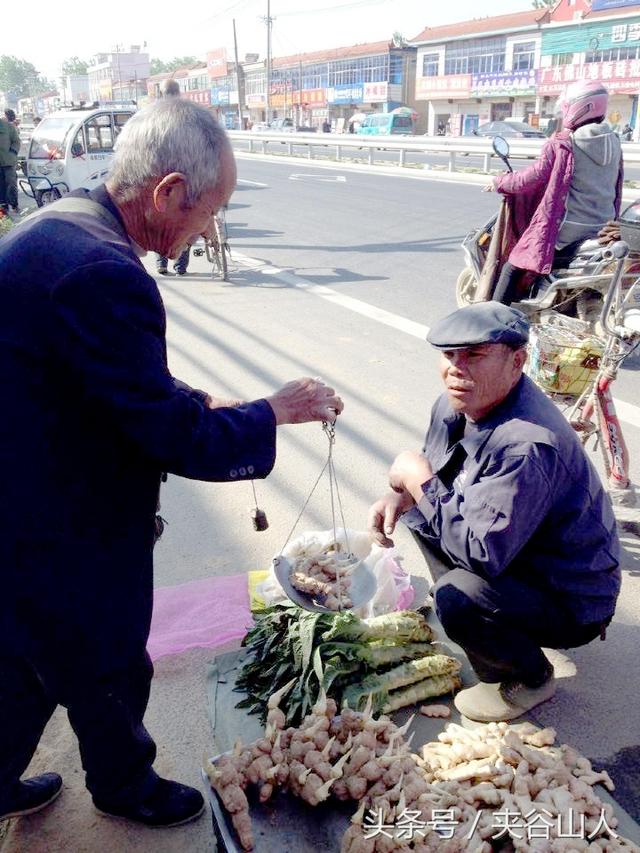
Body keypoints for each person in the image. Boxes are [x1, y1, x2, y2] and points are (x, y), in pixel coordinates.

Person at [0, 97, 344, 827]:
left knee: (24, 655)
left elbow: (106, 375)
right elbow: (167, 433)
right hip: (60, 510)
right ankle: (125, 784)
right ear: (168, 193)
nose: (206, 229)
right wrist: (269, 412)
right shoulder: (105, 272)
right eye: (206, 211)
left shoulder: (59, 226)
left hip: (21, 482)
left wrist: (195, 397)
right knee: (109, 653)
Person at [367, 302, 620, 723]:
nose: (455, 369)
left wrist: (417, 481)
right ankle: (492, 622)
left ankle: (531, 677)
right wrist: (403, 495)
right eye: (449, 356)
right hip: (519, 549)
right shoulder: (457, 404)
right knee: (422, 516)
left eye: (474, 356)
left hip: (573, 595)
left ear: (517, 361)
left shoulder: (527, 444)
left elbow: (480, 551)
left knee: (457, 597)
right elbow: (439, 479)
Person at [490, 80, 623, 305]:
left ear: (580, 107)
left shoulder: (563, 143)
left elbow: (531, 177)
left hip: (567, 232)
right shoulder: (615, 141)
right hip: (601, 230)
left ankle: (490, 323)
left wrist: (499, 182)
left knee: (512, 265)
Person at [155, 79, 190, 276]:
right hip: (185, 175)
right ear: (178, 93)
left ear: (162, 94)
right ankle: (180, 265)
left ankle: (162, 263)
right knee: (185, 219)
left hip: (161, 175)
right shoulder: (189, 114)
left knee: (162, 220)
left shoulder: (153, 116)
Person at [0, 112, 20, 214]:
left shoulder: (8, 127)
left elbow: (16, 141)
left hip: (8, 161)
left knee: (11, 184)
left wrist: (13, 152)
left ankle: (14, 204)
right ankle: (3, 206)